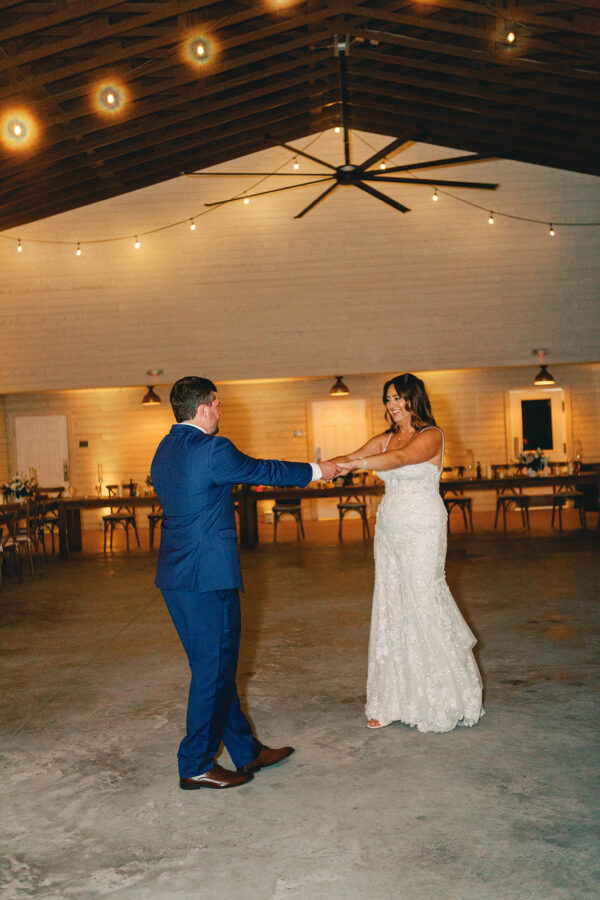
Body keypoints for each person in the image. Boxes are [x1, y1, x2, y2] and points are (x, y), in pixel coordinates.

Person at [151, 376, 340, 789]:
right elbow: (263, 469)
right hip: (207, 577)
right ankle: (195, 763)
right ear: (204, 408)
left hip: (176, 577)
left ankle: (245, 749)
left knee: (214, 667)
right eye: (217, 404)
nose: (220, 411)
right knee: (212, 671)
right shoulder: (212, 449)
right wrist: (317, 470)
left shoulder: (165, 449)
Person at [335, 373, 484, 732]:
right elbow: (352, 456)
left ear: (414, 399)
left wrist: (359, 466)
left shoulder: (432, 435)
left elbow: (402, 459)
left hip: (423, 526)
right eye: (388, 398)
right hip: (390, 527)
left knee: (421, 598)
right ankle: (392, 700)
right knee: (392, 602)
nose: (392, 405)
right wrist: (318, 468)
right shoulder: (384, 438)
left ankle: (443, 696)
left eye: (399, 397)